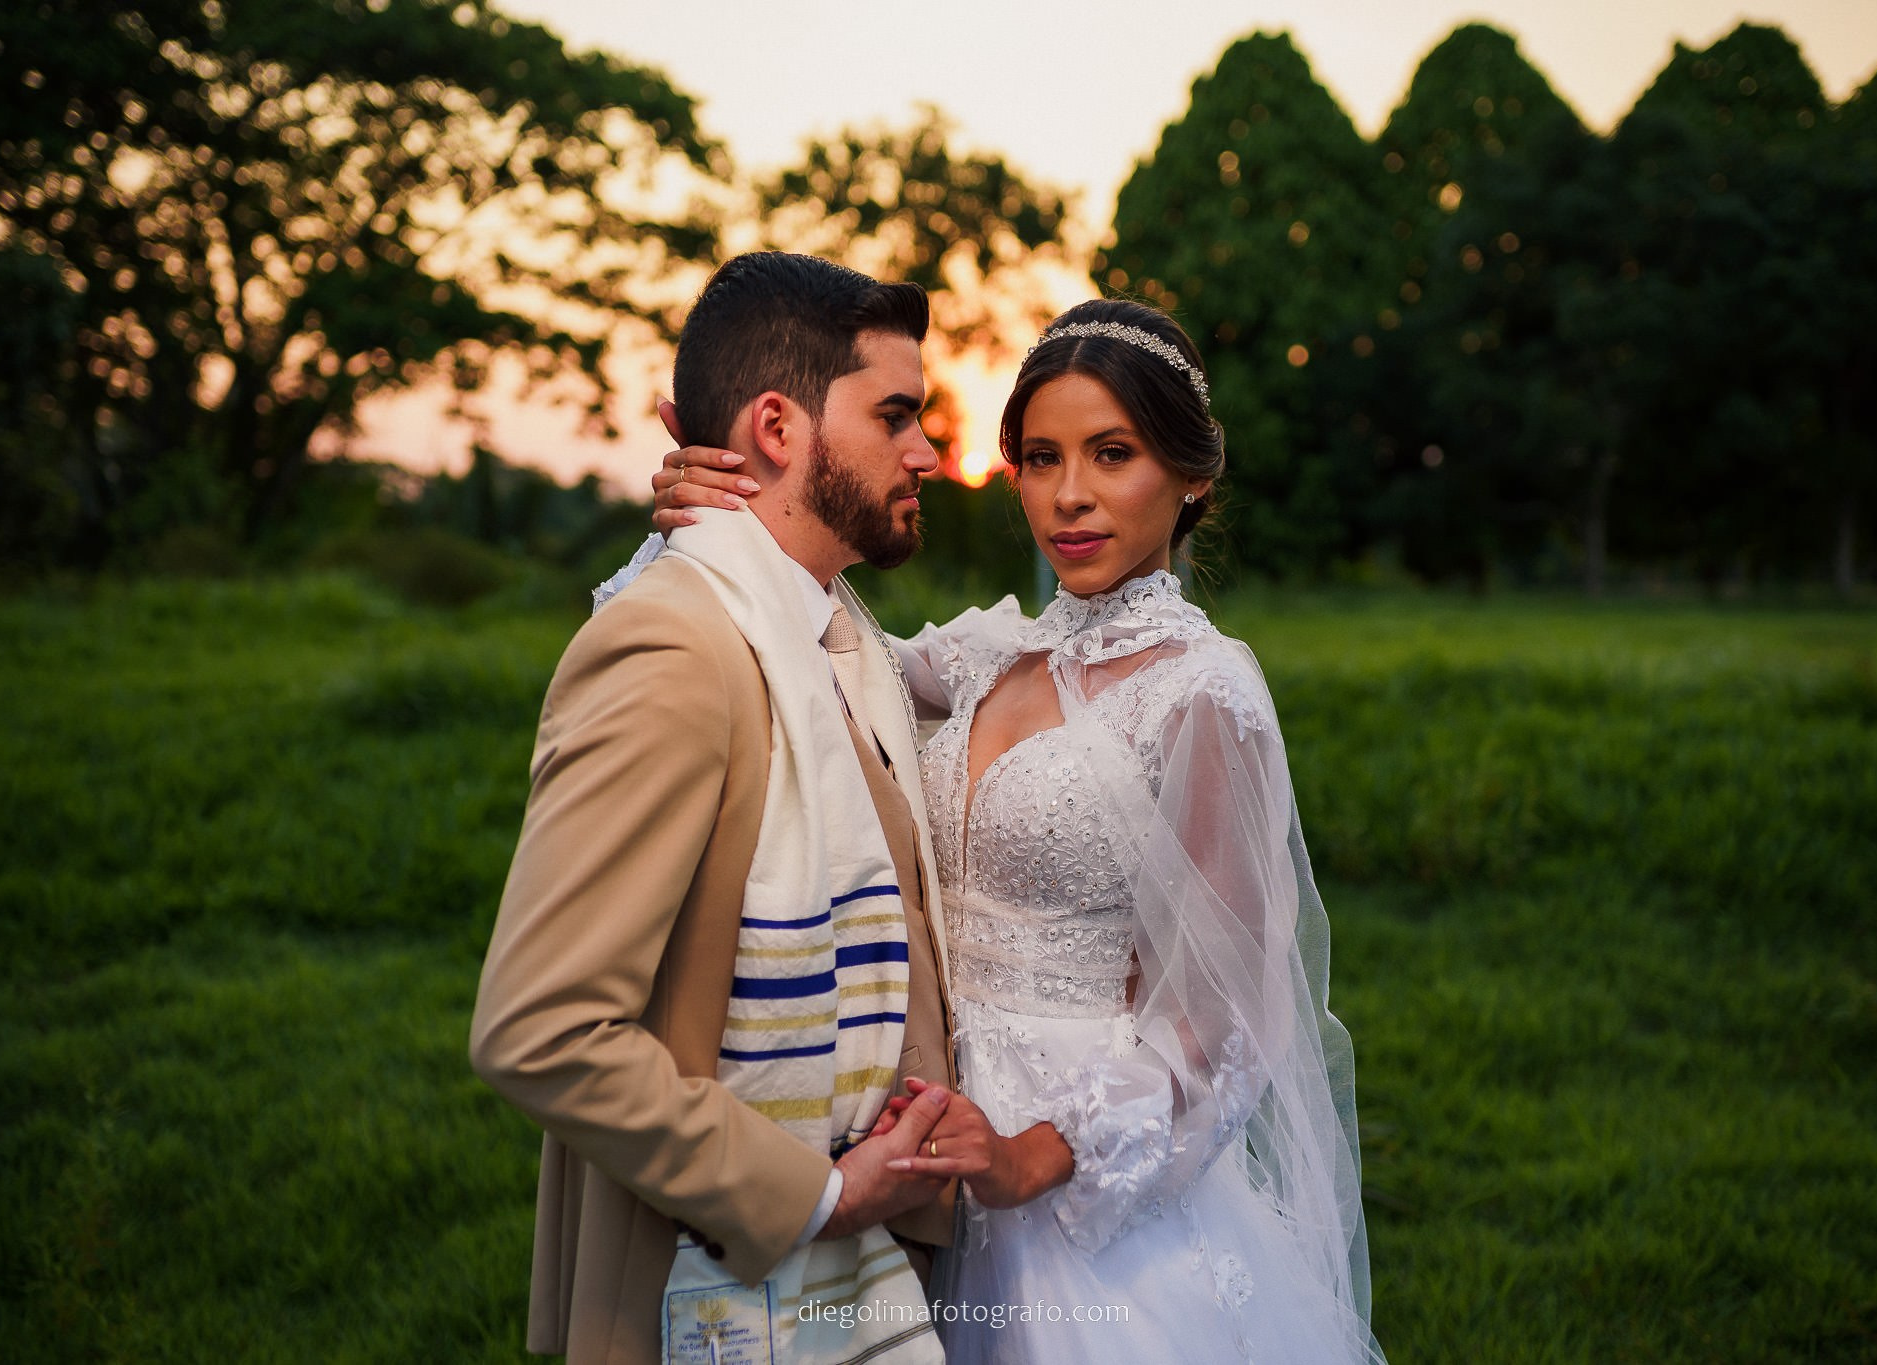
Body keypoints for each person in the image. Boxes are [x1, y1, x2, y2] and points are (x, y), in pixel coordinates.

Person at [648, 298, 1386, 1364]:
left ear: (1191, 477)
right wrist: (714, 519)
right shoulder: (986, 652)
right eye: (1040, 458)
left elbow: (1223, 1022)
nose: (1069, 496)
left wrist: (1032, 1157)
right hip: (913, 1128)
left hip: (1076, 1178)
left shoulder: (1202, 693)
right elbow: (806, 646)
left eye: (1111, 454)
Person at [470, 252, 986, 1365]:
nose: (929, 453)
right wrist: (814, 1194)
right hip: (704, 1286)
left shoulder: (838, 641)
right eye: (896, 415)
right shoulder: (673, 647)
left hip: (866, 1271)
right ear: (775, 425)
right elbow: (540, 1031)